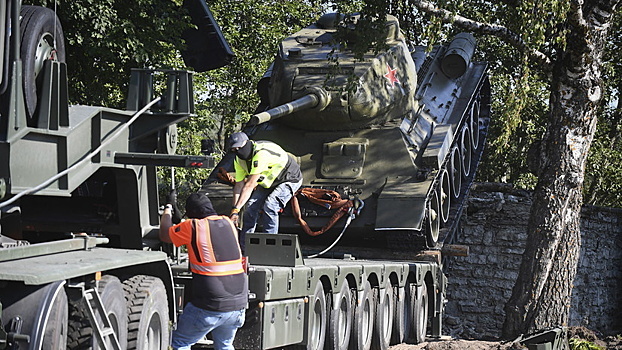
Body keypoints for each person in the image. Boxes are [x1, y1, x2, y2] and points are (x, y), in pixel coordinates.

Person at [159, 192, 247, 350]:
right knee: (225, 345)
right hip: (238, 304)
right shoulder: (228, 223)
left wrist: (168, 208)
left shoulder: (193, 226)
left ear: (192, 214)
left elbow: (165, 234)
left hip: (210, 304)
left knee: (180, 343)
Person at [228, 132, 303, 242]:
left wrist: (237, 209)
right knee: (250, 207)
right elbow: (239, 186)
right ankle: (244, 245)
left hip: (289, 178)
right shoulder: (239, 160)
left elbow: (250, 185)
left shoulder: (261, 154)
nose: (238, 151)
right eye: (235, 149)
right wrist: (234, 210)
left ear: (247, 143)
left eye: (240, 147)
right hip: (269, 181)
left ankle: (270, 243)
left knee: (270, 205)